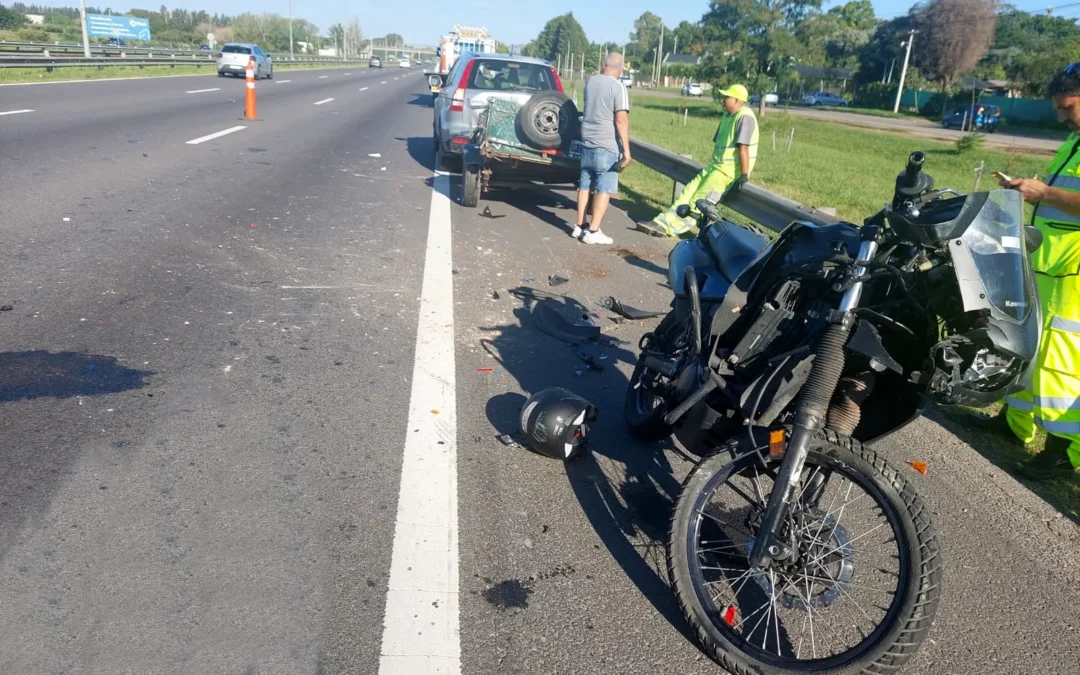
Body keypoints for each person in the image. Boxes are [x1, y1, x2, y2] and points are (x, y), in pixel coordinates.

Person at [958, 64, 1080, 481]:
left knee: (1063, 364)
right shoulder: (1074, 141)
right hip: (1050, 266)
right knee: (1031, 346)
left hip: (1074, 277)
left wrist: (1043, 192)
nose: (1063, 116)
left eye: (1069, 107)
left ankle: (1065, 451)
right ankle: (1015, 424)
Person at [642, 83, 759, 238]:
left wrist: (744, 176)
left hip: (727, 173)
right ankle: (663, 221)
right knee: (687, 192)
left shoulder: (744, 117)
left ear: (737, 100)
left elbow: (743, 147)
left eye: (726, 97)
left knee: (698, 202)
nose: (723, 100)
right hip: (715, 167)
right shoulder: (727, 116)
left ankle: (669, 228)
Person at [573, 53, 632, 245]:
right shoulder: (618, 87)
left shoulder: (590, 82)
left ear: (603, 64)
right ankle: (593, 230)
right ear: (621, 69)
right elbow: (620, 120)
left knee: (584, 185)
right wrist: (626, 149)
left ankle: (579, 226)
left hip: (587, 140)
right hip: (606, 144)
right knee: (604, 188)